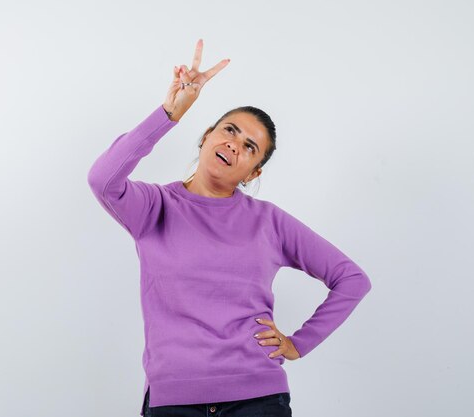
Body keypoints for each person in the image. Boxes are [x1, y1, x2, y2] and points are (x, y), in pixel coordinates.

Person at [87, 39, 372, 417]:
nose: (234, 144)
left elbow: (352, 279)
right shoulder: (154, 207)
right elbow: (103, 179)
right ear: (207, 136)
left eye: (250, 147)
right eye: (230, 130)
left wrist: (298, 343)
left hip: (258, 398)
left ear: (253, 172)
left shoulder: (269, 221)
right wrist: (169, 113)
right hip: (174, 400)